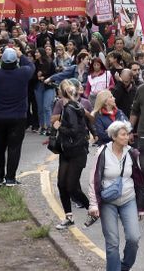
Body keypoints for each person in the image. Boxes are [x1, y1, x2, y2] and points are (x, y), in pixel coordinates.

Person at [87, 120, 144, 271]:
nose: (127, 137)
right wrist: (93, 204)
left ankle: (124, 267)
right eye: (123, 134)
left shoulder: (132, 153)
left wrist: (141, 207)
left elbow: (140, 180)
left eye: (127, 134)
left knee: (134, 238)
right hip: (108, 201)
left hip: (128, 199)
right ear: (114, 137)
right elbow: (94, 179)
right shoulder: (102, 152)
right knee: (112, 242)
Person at [0, 47, 34, 186]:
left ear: (2, 61)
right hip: (18, 116)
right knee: (14, 147)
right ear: (15, 61)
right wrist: (21, 55)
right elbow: (31, 66)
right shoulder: (23, 73)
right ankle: (10, 178)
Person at [54, 80, 94, 230]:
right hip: (67, 150)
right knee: (61, 184)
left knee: (71, 187)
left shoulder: (70, 108)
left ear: (61, 92)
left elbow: (74, 130)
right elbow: (86, 123)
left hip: (76, 151)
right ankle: (69, 217)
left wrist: (59, 127)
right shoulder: (74, 105)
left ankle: (92, 210)